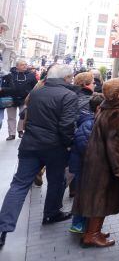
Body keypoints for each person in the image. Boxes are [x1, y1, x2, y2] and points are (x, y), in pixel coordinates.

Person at [0, 65, 78, 249]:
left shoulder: (37, 92)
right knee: (56, 180)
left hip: (31, 144)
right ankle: (51, 213)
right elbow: (67, 125)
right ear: (66, 78)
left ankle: (3, 229)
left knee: (19, 185)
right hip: (54, 147)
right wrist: (68, 144)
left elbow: (26, 115)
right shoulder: (68, 96)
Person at [74, 79, 119, 248]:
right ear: (118, 95)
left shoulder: (106, 108)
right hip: (105, 166)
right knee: (101, 201)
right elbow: (115, 145)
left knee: (100, 200)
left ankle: (94, 231)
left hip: (99, 162)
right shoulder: (116, 113)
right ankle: (92, 235)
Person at [69, 92, 105, 234]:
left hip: (86, 167)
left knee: (87, 196)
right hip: (84, 167)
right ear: (98, 109)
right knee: (84, 196)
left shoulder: (91, 121)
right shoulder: (89, 123)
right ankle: (78, 224)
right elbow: (86, 147)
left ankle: (86, 225)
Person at [0, 60, 38, 140]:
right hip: (11, 99)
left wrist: (31, 94)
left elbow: (35, 87)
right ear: (17, 66)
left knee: (23, 115)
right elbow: (4, 86)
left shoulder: (31, 75)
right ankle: (11, 134)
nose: (25, 66)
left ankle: (20, 130)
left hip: (25, 99)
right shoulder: (9, 75)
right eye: (22, 65)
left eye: (25, 64)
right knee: (11, 117)